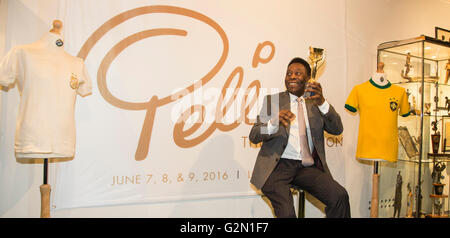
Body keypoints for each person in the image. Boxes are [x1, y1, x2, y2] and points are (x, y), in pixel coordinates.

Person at [249, 57, 350, 218]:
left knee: (339, 196)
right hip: (277, 167)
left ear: (308, 79)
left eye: (298, 73)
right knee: (287, 213)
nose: (292, 76)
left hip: (307, 167)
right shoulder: (272, 101)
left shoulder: (316, 102)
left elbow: (337, 129)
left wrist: (323, 102)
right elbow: (254, 136)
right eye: (289, 73)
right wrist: (274, 123)